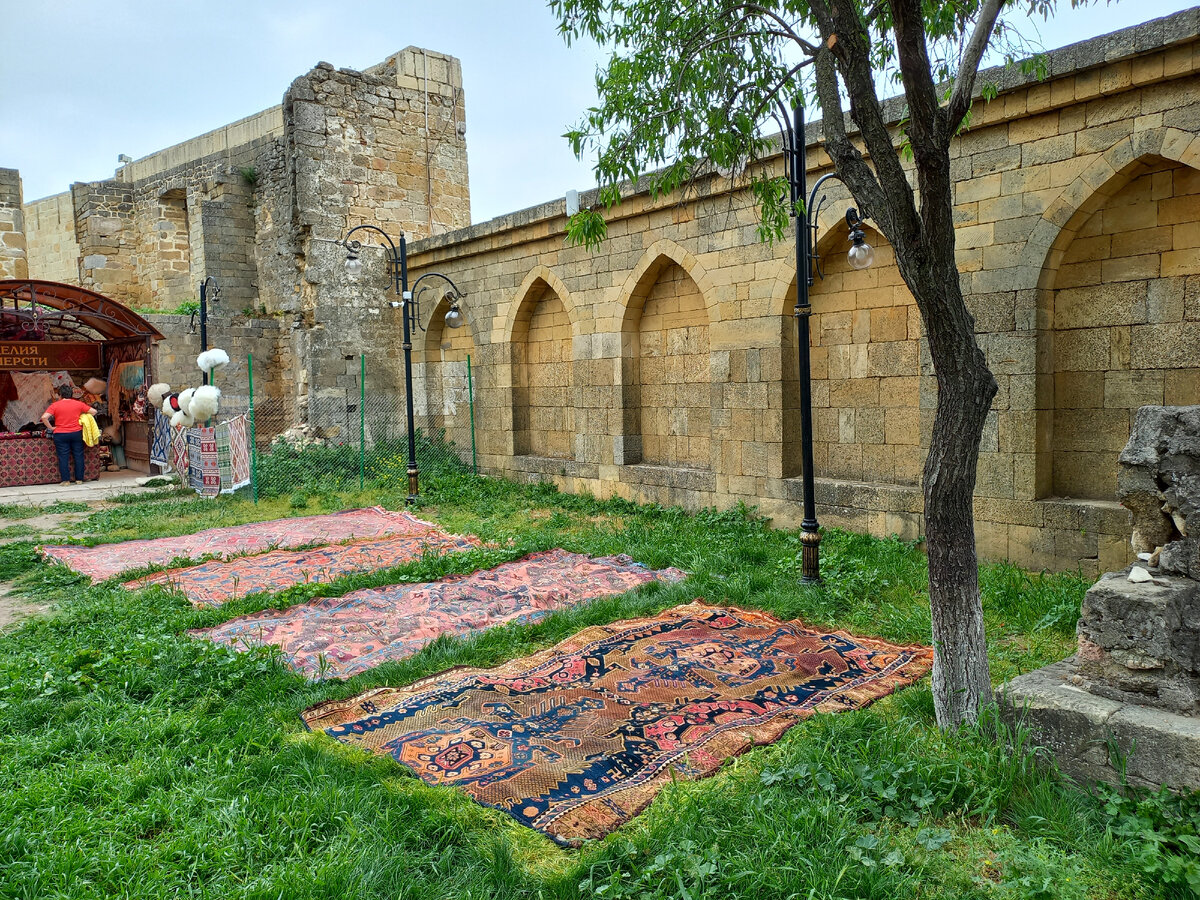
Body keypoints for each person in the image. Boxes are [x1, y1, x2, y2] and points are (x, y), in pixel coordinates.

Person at [41, 384, 97, 485]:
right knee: (79, 455)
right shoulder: (78, 404)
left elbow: (44, 417)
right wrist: (82, 417)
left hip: (60, 434)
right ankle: (79, 479)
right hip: (76, 433)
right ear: (71, 394)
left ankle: (66, 480)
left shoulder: (55, 405)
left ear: (60, 395)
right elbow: (94, 411)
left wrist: (51, 428)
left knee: (63, 457)